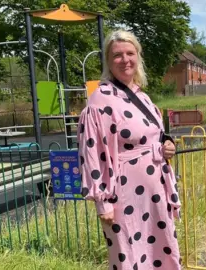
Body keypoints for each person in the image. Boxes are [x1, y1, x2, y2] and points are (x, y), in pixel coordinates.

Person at [77, 29, 181, 269]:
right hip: (124, 197)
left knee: (160, 252)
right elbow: (92, 154)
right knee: (129, 256)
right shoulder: (100, 99)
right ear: (108, 61)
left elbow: (152, 136)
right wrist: (103, 202)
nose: (125, 60)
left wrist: (166, 146)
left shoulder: (142, 96)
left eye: (130, 53)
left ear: (138, 56)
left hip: (155, 193)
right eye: (117, 55)